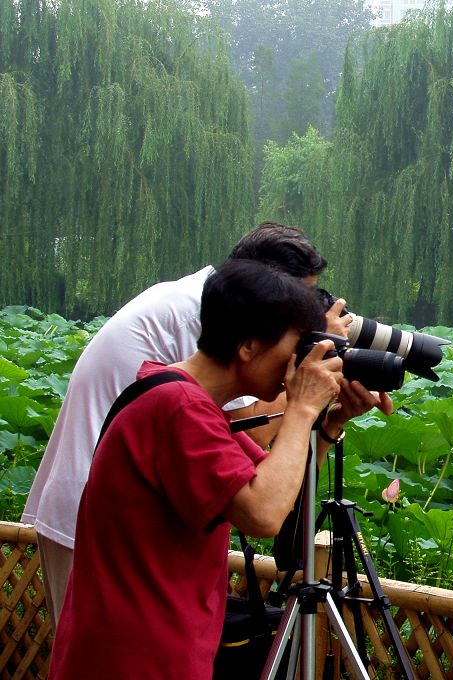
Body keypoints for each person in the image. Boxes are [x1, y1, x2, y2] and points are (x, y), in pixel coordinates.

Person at [21, 222, 386, 627]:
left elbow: (266, 475)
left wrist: (327, 423)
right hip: (112, 538)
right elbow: (259, 466)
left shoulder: (198, 335)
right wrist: (305, 398)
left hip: (136, 528)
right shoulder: (190, 366)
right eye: (304, 303)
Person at [47, 259, 354, 679]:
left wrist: (327, 425)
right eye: (294, 348)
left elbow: (278, 485)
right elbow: (263, 514)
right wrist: (301, 409)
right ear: (248, 345)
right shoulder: (180, 409)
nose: (294, 368)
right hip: (137, 658)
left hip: (144, 648)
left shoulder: (176, 394)